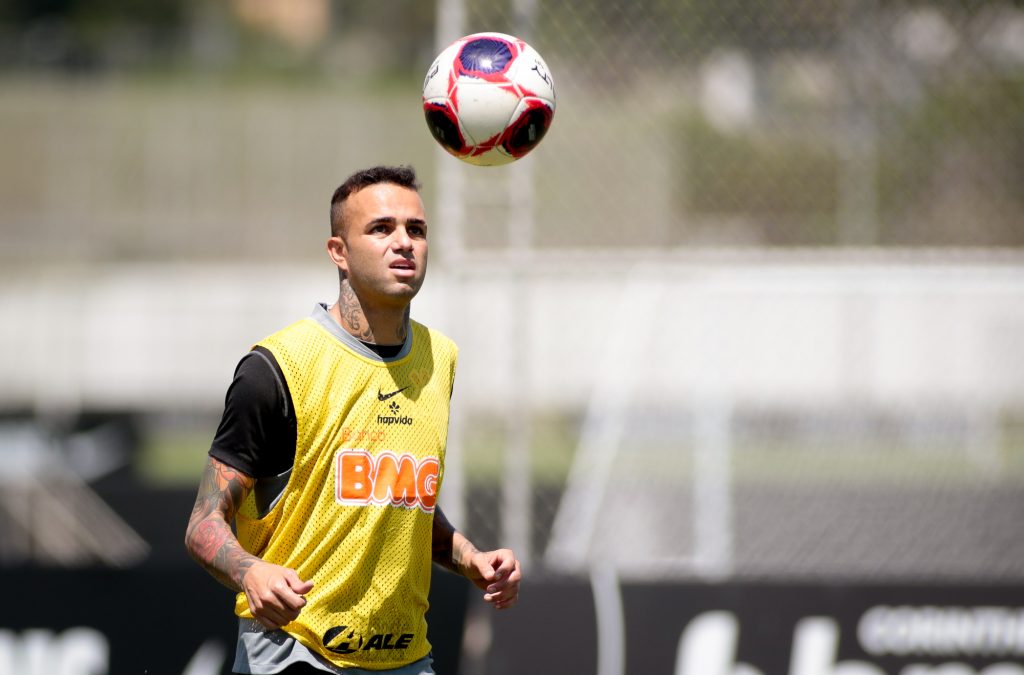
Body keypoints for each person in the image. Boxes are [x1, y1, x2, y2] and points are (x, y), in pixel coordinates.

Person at [185, 165, 521, 675]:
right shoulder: (277, 368)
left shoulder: (440, 359)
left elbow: (401, 503)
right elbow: (202, 525)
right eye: (381, 228)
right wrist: (251, 572)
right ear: (338, 251)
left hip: (408, 660)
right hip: (295, 653)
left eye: (417, 229)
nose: (404, 243)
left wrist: (469, 557)